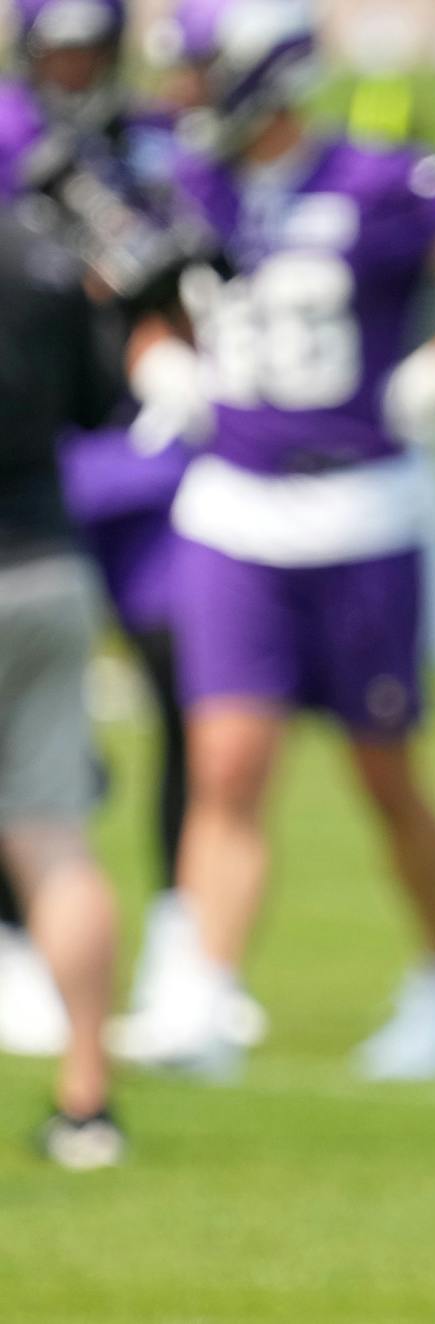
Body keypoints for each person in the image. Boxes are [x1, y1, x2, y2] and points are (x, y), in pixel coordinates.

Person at [116, 0, 435, 1079]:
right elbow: (133, 299)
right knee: (228, 759)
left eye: (194, 74)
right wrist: (156, 363)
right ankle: (203, 992)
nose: (179, 96)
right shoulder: (191, 186)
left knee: (383, 769)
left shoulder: (376, 181)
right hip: (234, 504)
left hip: (364, 508)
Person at [0, 0, 246, 1059]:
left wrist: (175, 323)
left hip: (141, 458)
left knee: (186, 686)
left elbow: (196, 272)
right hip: (37, 463)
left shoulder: (154, 144)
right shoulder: (14, 141)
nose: (72, 70)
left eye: (86, 51)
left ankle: (184, 944)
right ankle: (15, 947)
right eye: (56, 50)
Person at [0, 206, 126, 1166]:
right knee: (54, 841)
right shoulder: (44, 260)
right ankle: (87, 1105)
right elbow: (98, 403)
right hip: (49, 569)